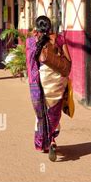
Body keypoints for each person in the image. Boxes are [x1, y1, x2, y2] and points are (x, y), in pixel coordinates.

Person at [26, 15, 71, 162]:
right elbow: (68, 60)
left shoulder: (33, 41)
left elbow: (31, 63)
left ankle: (43, 142)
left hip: (42, 79)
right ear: (50, 26)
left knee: (41, 112)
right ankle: (52, 138)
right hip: (58, 81)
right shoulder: (58, 38)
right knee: (54, 111)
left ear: (37, 27)